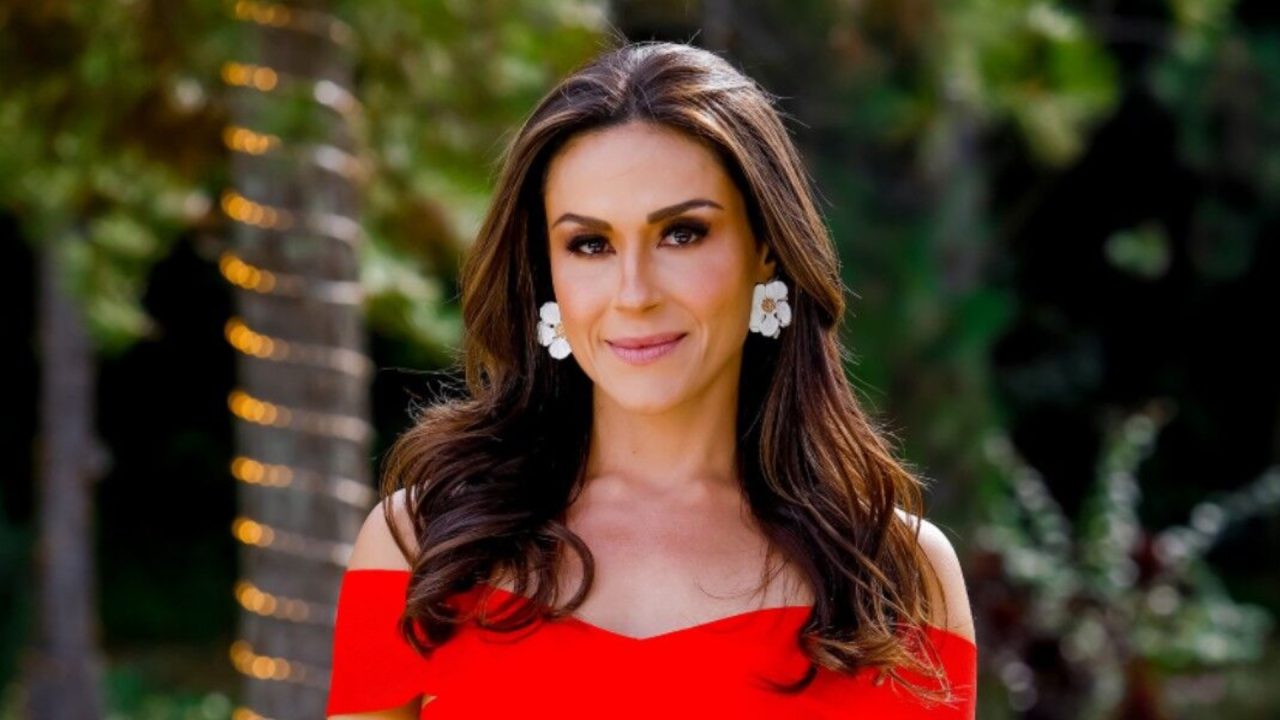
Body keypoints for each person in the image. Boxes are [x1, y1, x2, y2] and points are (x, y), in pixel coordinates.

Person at [326, 40, 976, 719]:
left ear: (766, 249)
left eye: (682, 234)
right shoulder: (422, 547)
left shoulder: (896, 576)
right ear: (547, 272)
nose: (634, 293)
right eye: (590, 244)